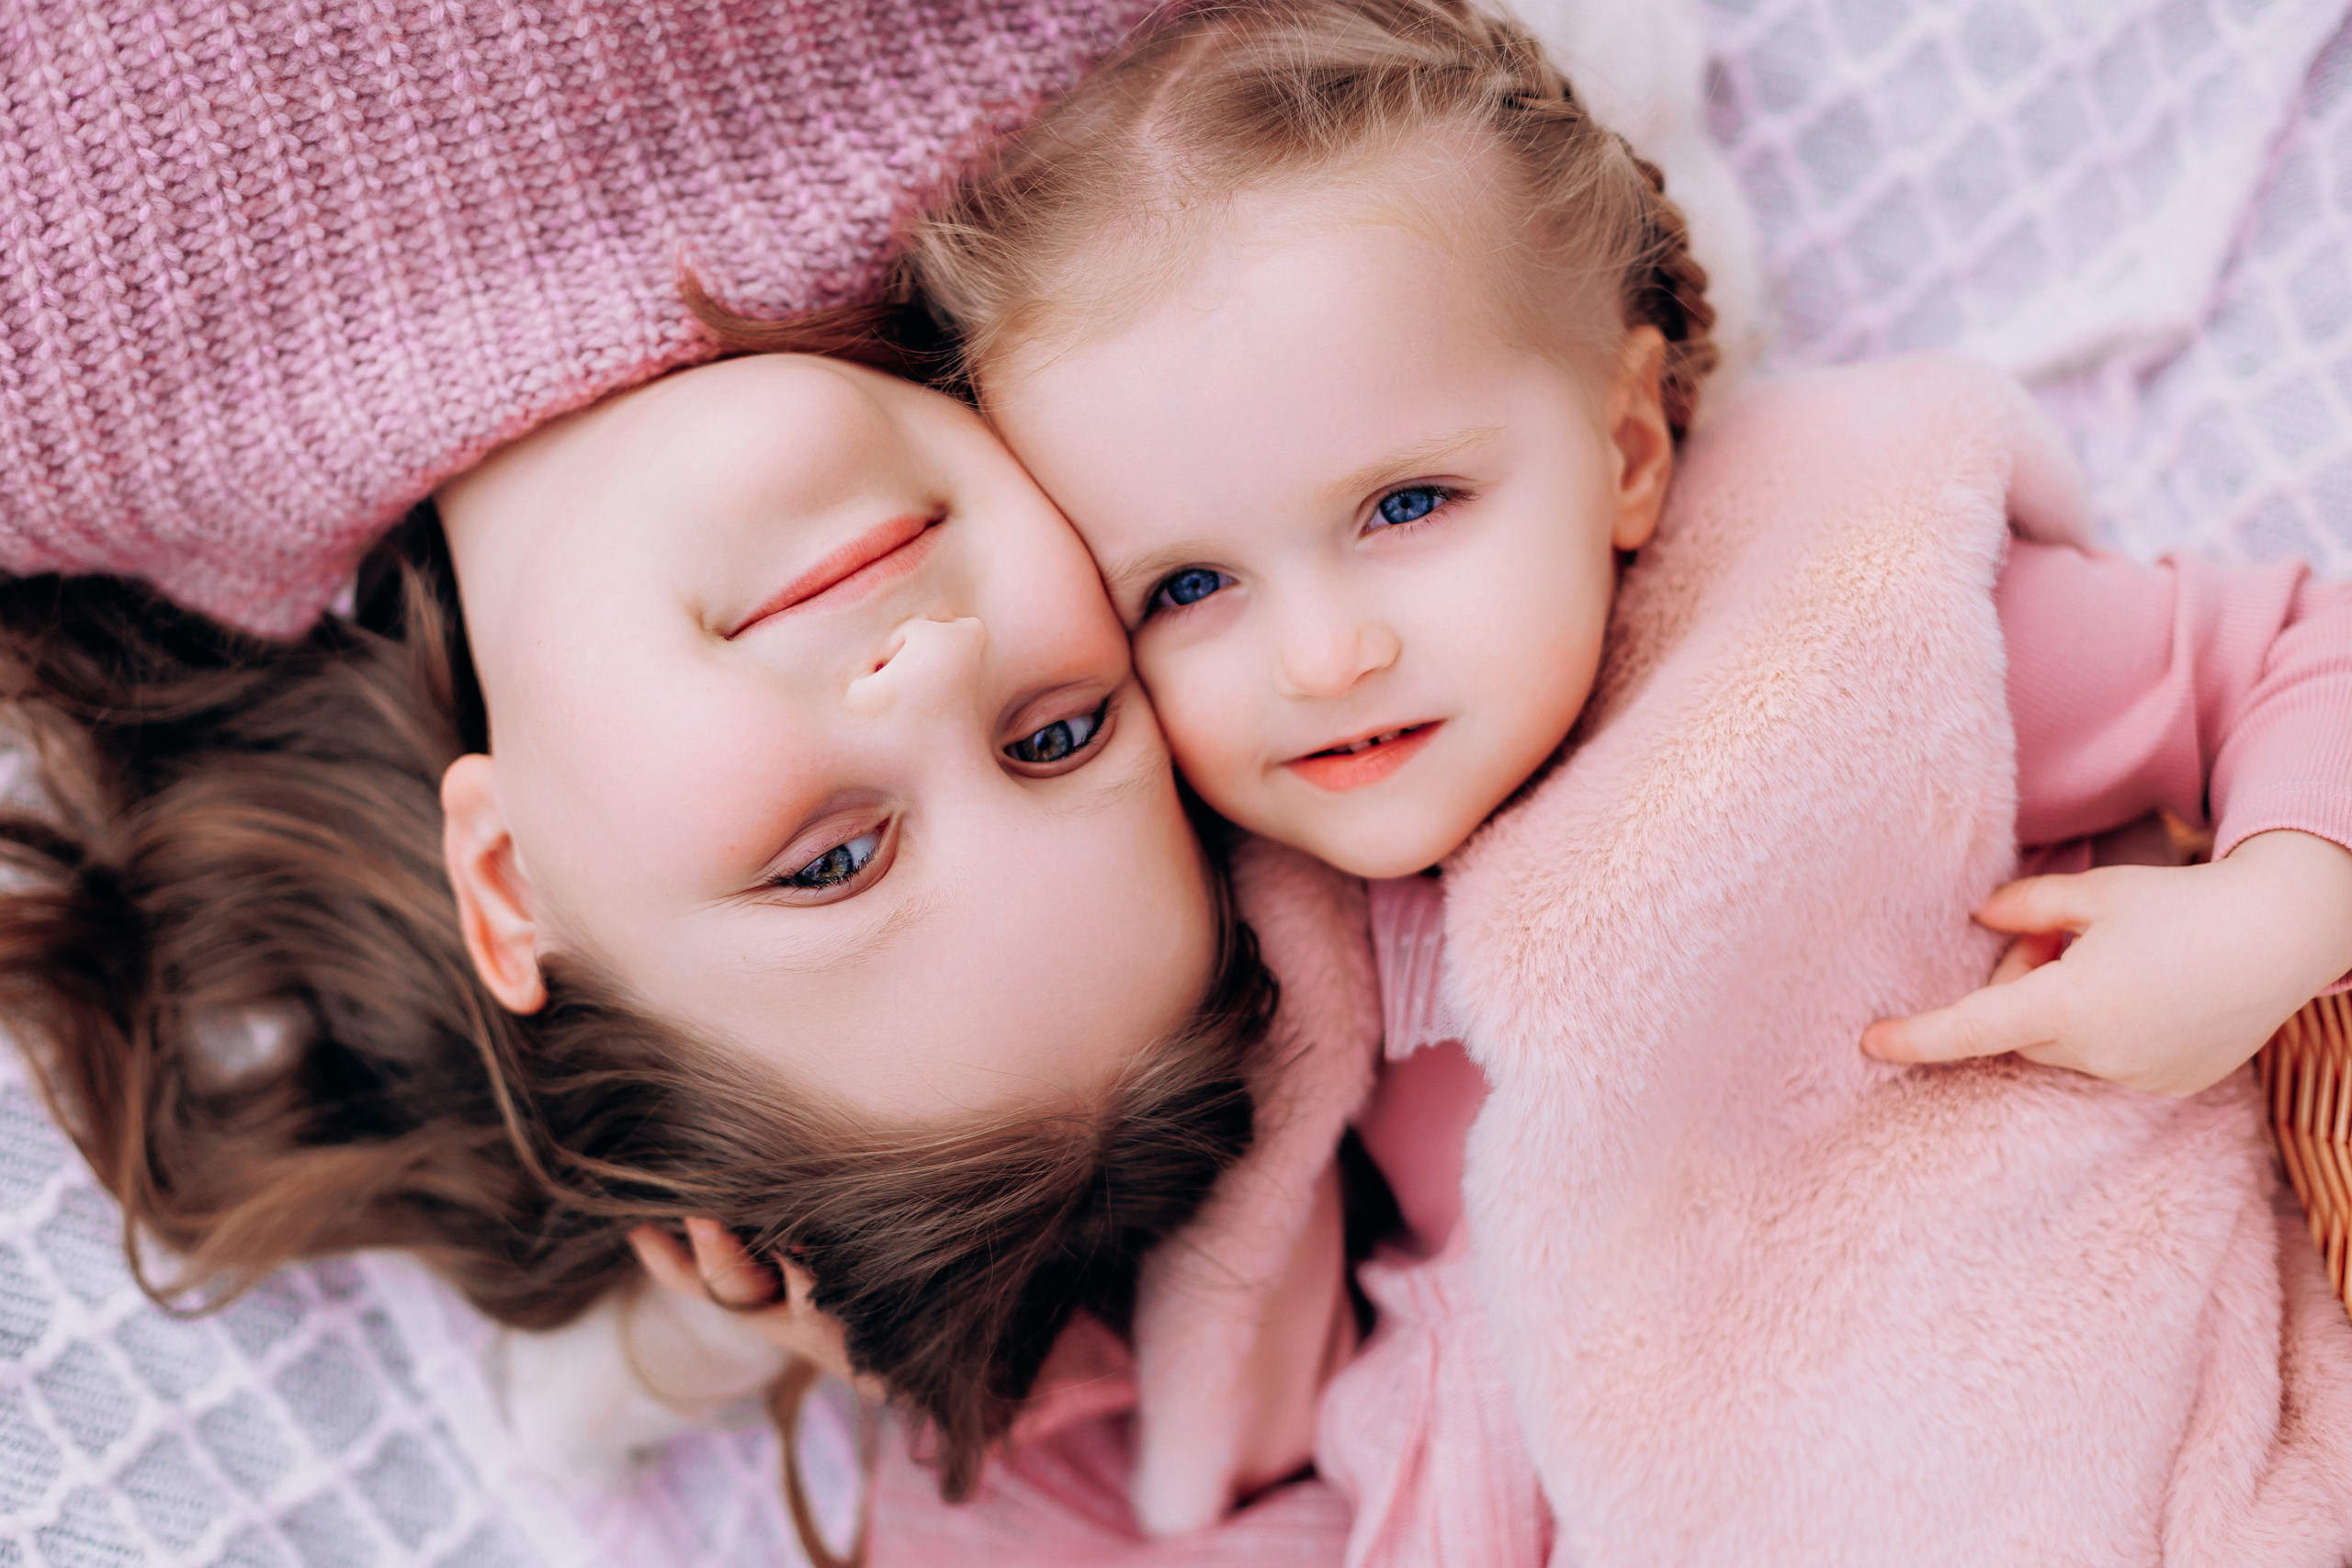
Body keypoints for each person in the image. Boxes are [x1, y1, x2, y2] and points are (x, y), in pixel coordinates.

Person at [840, 0, 2352, 1558]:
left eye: (1408, 503)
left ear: (1626, 448)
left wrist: (2273, 918)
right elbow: (1183, 1296)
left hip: (2053, 1446)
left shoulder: (1847, 646)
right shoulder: (1253, 917)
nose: (1324, 652)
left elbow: (2307, 655)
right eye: (1188, 589)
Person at [0, 0, 1289, 1517]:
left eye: (833, 859)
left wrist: (703, 1333)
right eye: (1059, 735)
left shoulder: (60, 421)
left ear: (504, 884)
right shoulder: (1118, 108)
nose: (940, 673)